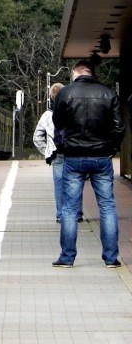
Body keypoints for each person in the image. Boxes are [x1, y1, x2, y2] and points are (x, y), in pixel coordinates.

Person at [51, 60, 126, 268]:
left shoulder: (65, 93)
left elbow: (58, 123)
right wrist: (112, 148)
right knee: (107, 206)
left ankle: (67, 257)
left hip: (74, 157)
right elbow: (120, 127)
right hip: (102, 156)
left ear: (75, 73)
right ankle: (111, 258)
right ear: (92, 73)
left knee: (69, 208)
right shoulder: (109, 93)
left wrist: (66, 145)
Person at [33, 82, 83, 223]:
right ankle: (77, 213)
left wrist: (47, 151)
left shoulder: (47, 115)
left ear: (51, 96)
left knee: (59, 184)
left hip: (57, 155)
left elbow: (36, 137)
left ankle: (61, 215)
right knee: (76, 182)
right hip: (74, 152)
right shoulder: (74, 110)